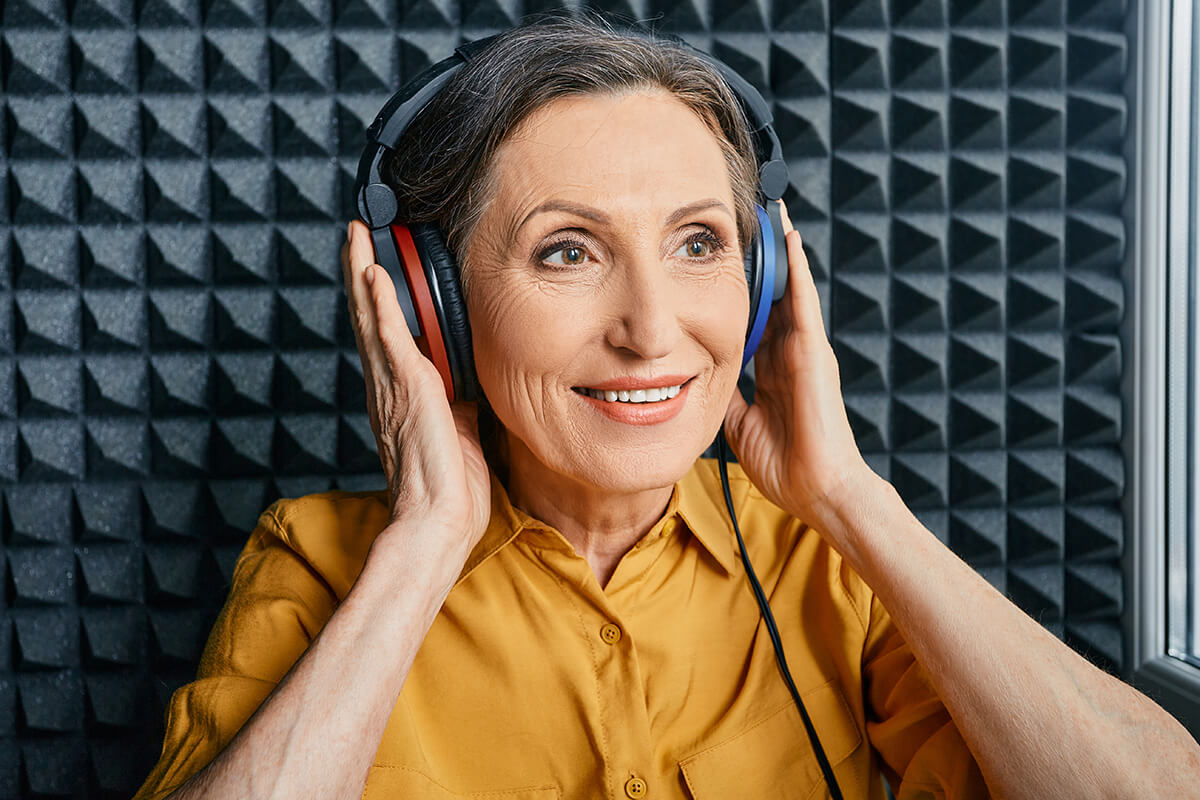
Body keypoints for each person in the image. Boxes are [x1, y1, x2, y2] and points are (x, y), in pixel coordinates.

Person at [131, 12, 1199, 800]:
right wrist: (423, 550)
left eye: (699, 243)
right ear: (433, 308)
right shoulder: (324, 564)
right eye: (568, 250)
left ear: (769, 281)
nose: (652, 327)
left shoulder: (825, 563)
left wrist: (852, 497)